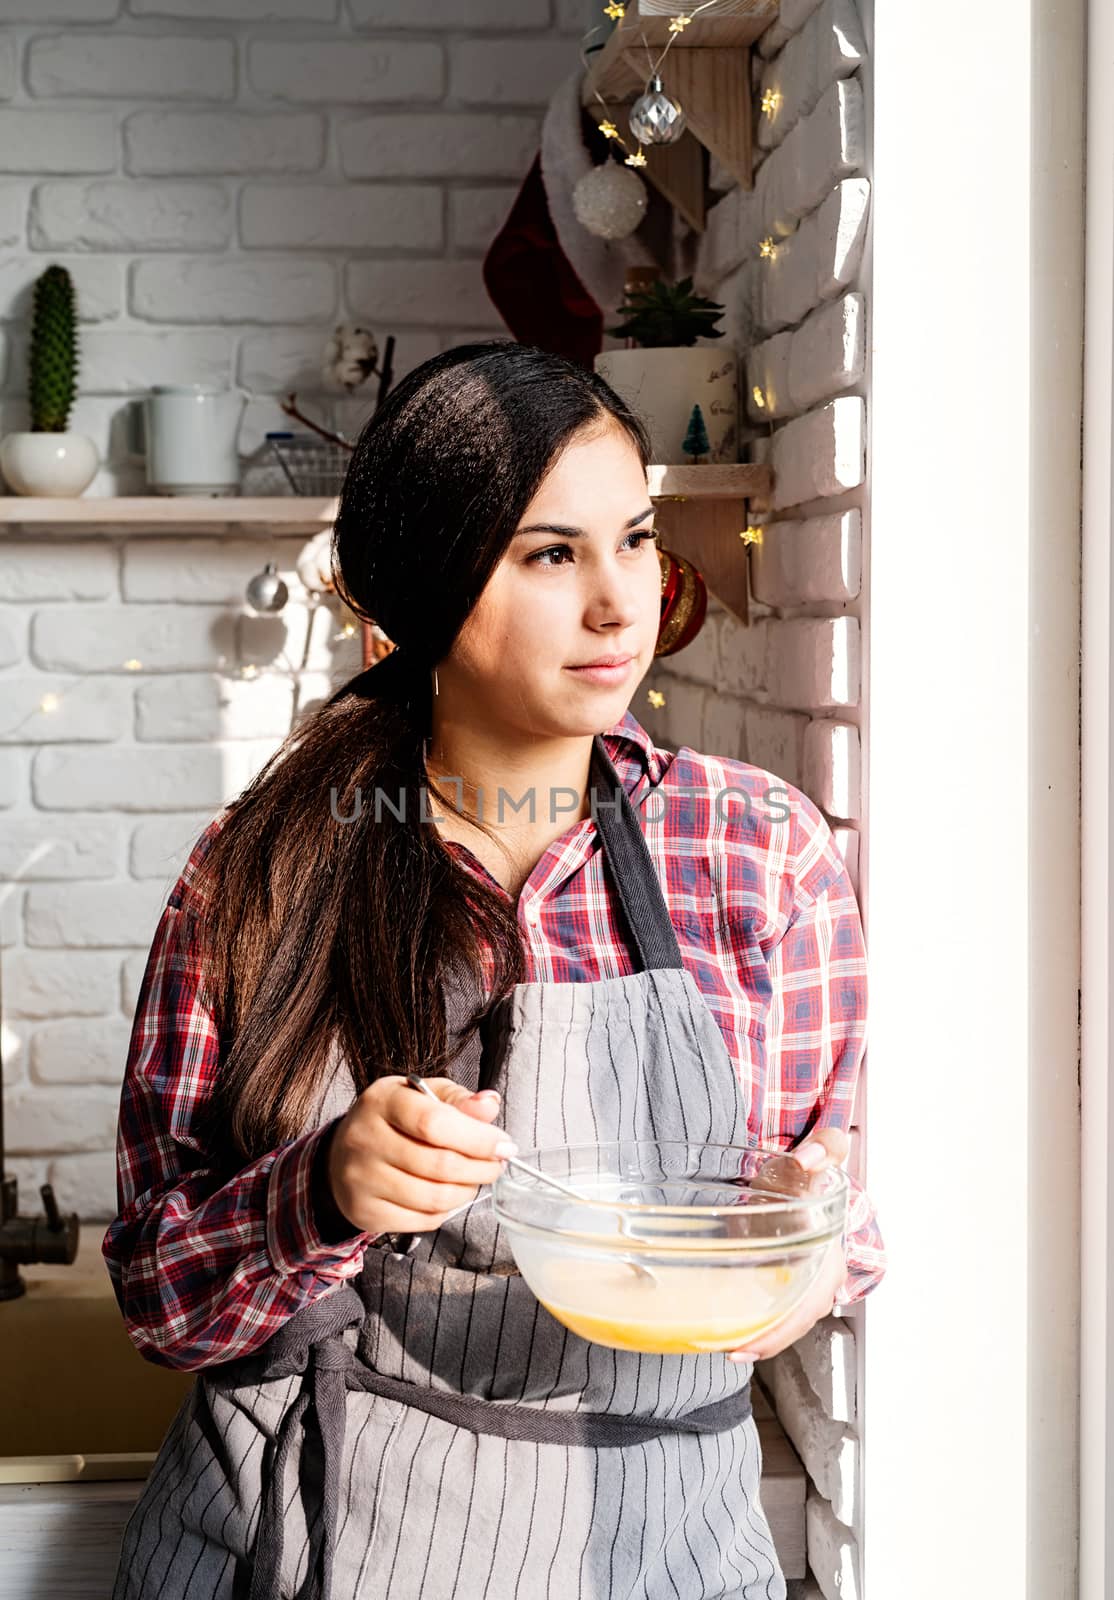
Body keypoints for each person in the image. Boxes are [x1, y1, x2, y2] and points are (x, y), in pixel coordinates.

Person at [103, 340, 885, 1600]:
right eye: (549, 554)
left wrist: (803, 1239)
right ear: (421, 588)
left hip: (659, 1548)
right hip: (317, 1542)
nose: (621, 603)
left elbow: (826, 1205)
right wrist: (323, 1190)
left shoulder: (756, 853)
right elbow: (156, 1293)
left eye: (633, 537)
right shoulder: (261, 873)